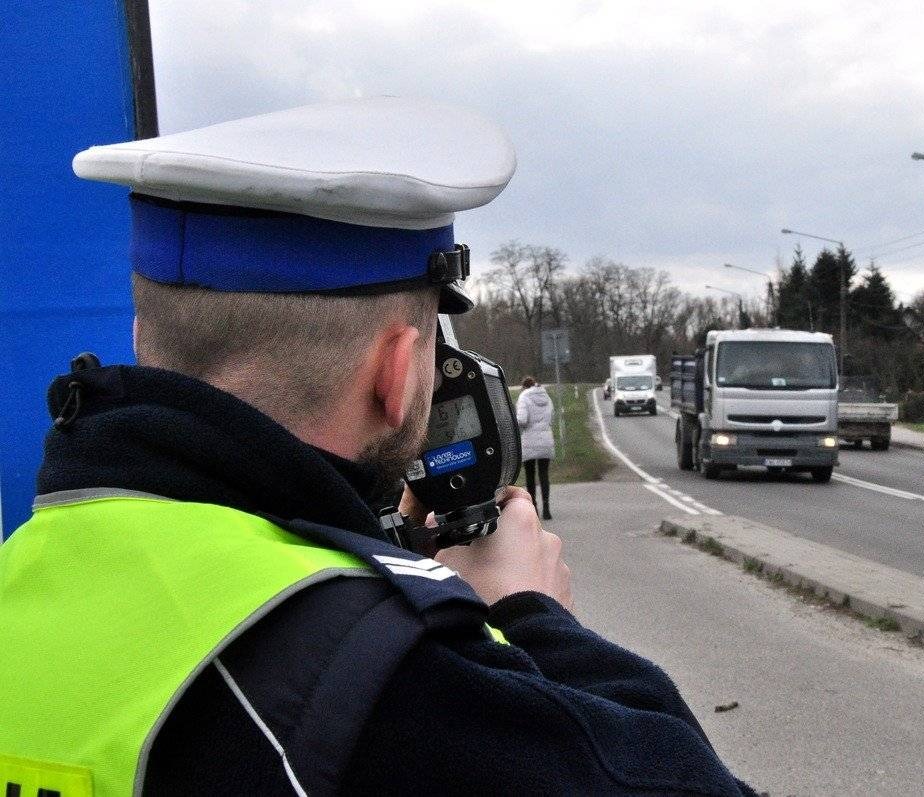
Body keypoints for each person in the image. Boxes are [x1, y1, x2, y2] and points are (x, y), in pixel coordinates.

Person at [0, 98, 753, 796]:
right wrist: (533, 620)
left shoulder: (20, 573)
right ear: (396, 372)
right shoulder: (394, 678)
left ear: (141, 338)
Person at [516, 375, 555, 520]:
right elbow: (552, 416)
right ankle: (547, 508)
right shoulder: (546, 396)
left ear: (524, 386)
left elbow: (522, 419)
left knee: (530, 476)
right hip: (546, 439)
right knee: (544, 474)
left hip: (529, 441)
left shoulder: (524, 397)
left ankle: (534, 509)